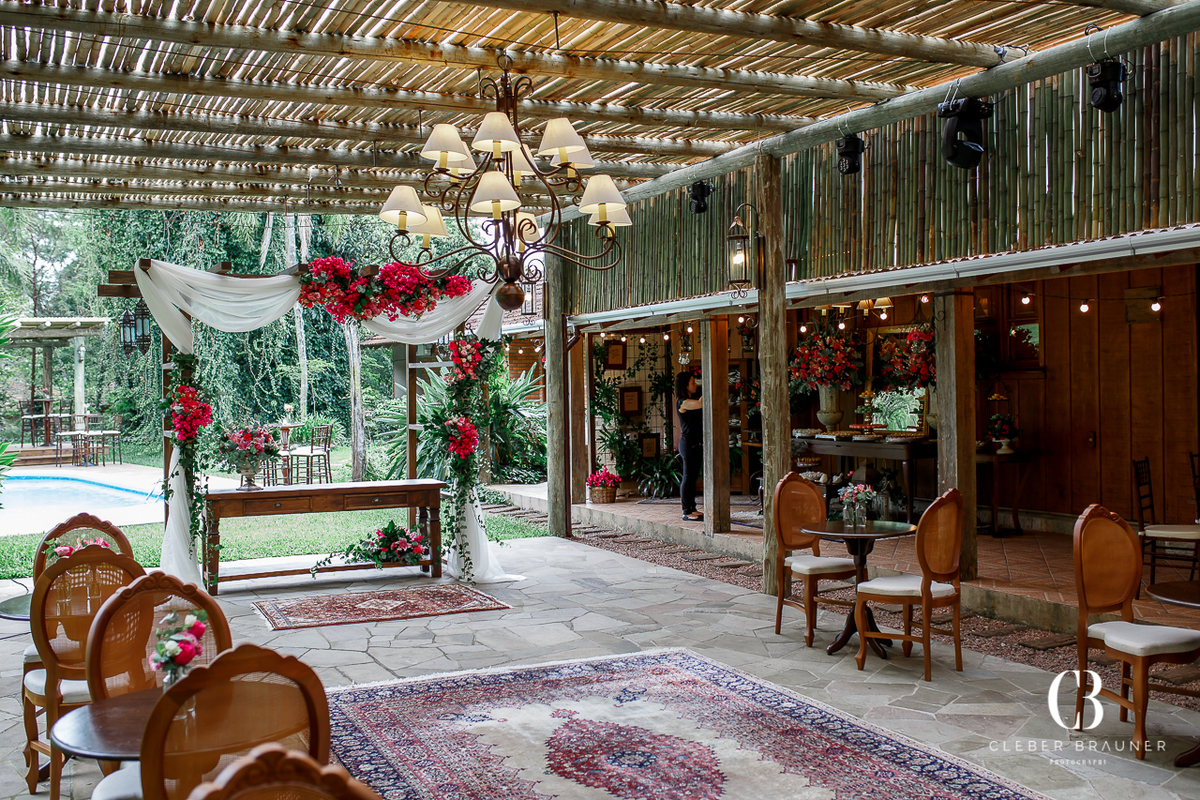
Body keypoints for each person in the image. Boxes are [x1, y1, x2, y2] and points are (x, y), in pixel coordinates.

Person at [675, 370, 704, 521]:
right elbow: (701, 403)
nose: (695, 385)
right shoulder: (683, 402)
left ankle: (692, 508)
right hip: (688, 445)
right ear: (685, 385)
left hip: (696, 444)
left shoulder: (690, 400)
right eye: (693, 382)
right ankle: (686, 511)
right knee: (687, 477)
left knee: (692, 478)